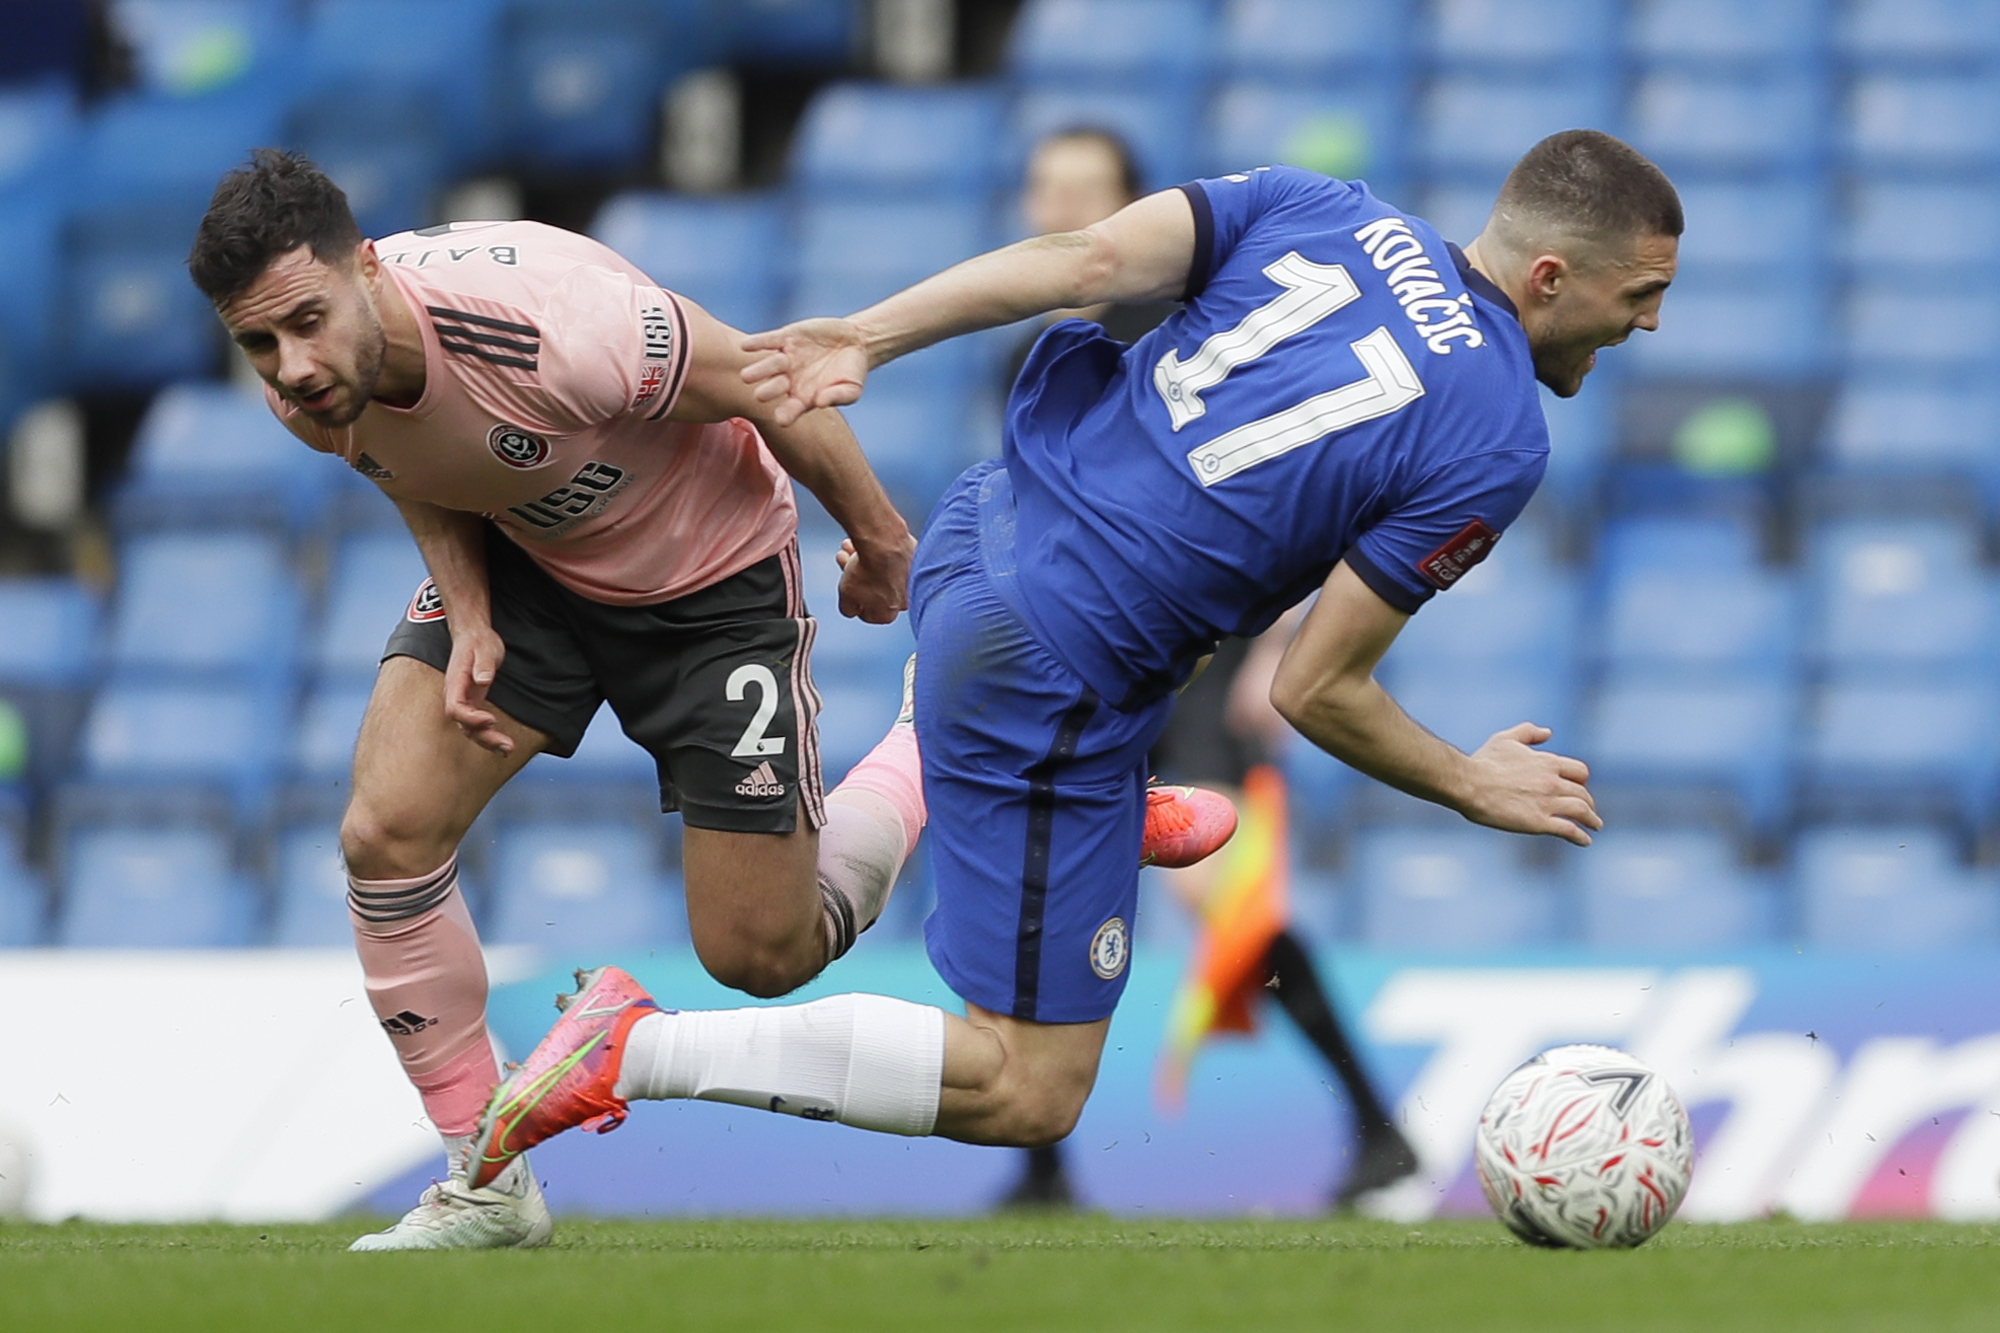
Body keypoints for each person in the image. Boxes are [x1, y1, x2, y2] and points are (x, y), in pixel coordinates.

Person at [462, 130, 1679, 1189]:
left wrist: (870, 335)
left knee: (1165, 624)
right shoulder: (1498, 435)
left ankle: (1089, 809)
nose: (1651, 322)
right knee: (1031, 1088)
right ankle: (638, 1045)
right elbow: (1319, 689)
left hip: (976, 531)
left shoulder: (1324, 205)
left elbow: (1083, 264)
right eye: (1640, 293)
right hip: (1047, 669)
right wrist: (1468, 780)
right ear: (1548, 276)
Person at [187, 150, 931, 1250]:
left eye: (305, 320)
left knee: (759, 954)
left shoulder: (554, 325)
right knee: (384, 832)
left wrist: (880, 543)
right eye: (259, 341)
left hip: (710, 584)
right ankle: (485, 1180)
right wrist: (468, 606)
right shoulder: (309, 387)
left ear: (370, 271)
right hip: (533, 563)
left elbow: (774, 382)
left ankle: (932, 746)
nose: (290, 366)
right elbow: (405, 461)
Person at [991, 128, 1416, 1210]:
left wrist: (1273, 646)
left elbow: (1293, 479)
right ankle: (1042, 1160)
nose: (1057, 209)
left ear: (1129, 208)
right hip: (1081, 653)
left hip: (1193, 653)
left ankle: (1377, 1128)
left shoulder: (1178, 322)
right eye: (1044, 188)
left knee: (1217, 905)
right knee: (1047, 882)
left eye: (1082, 193)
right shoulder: (1022, 351)